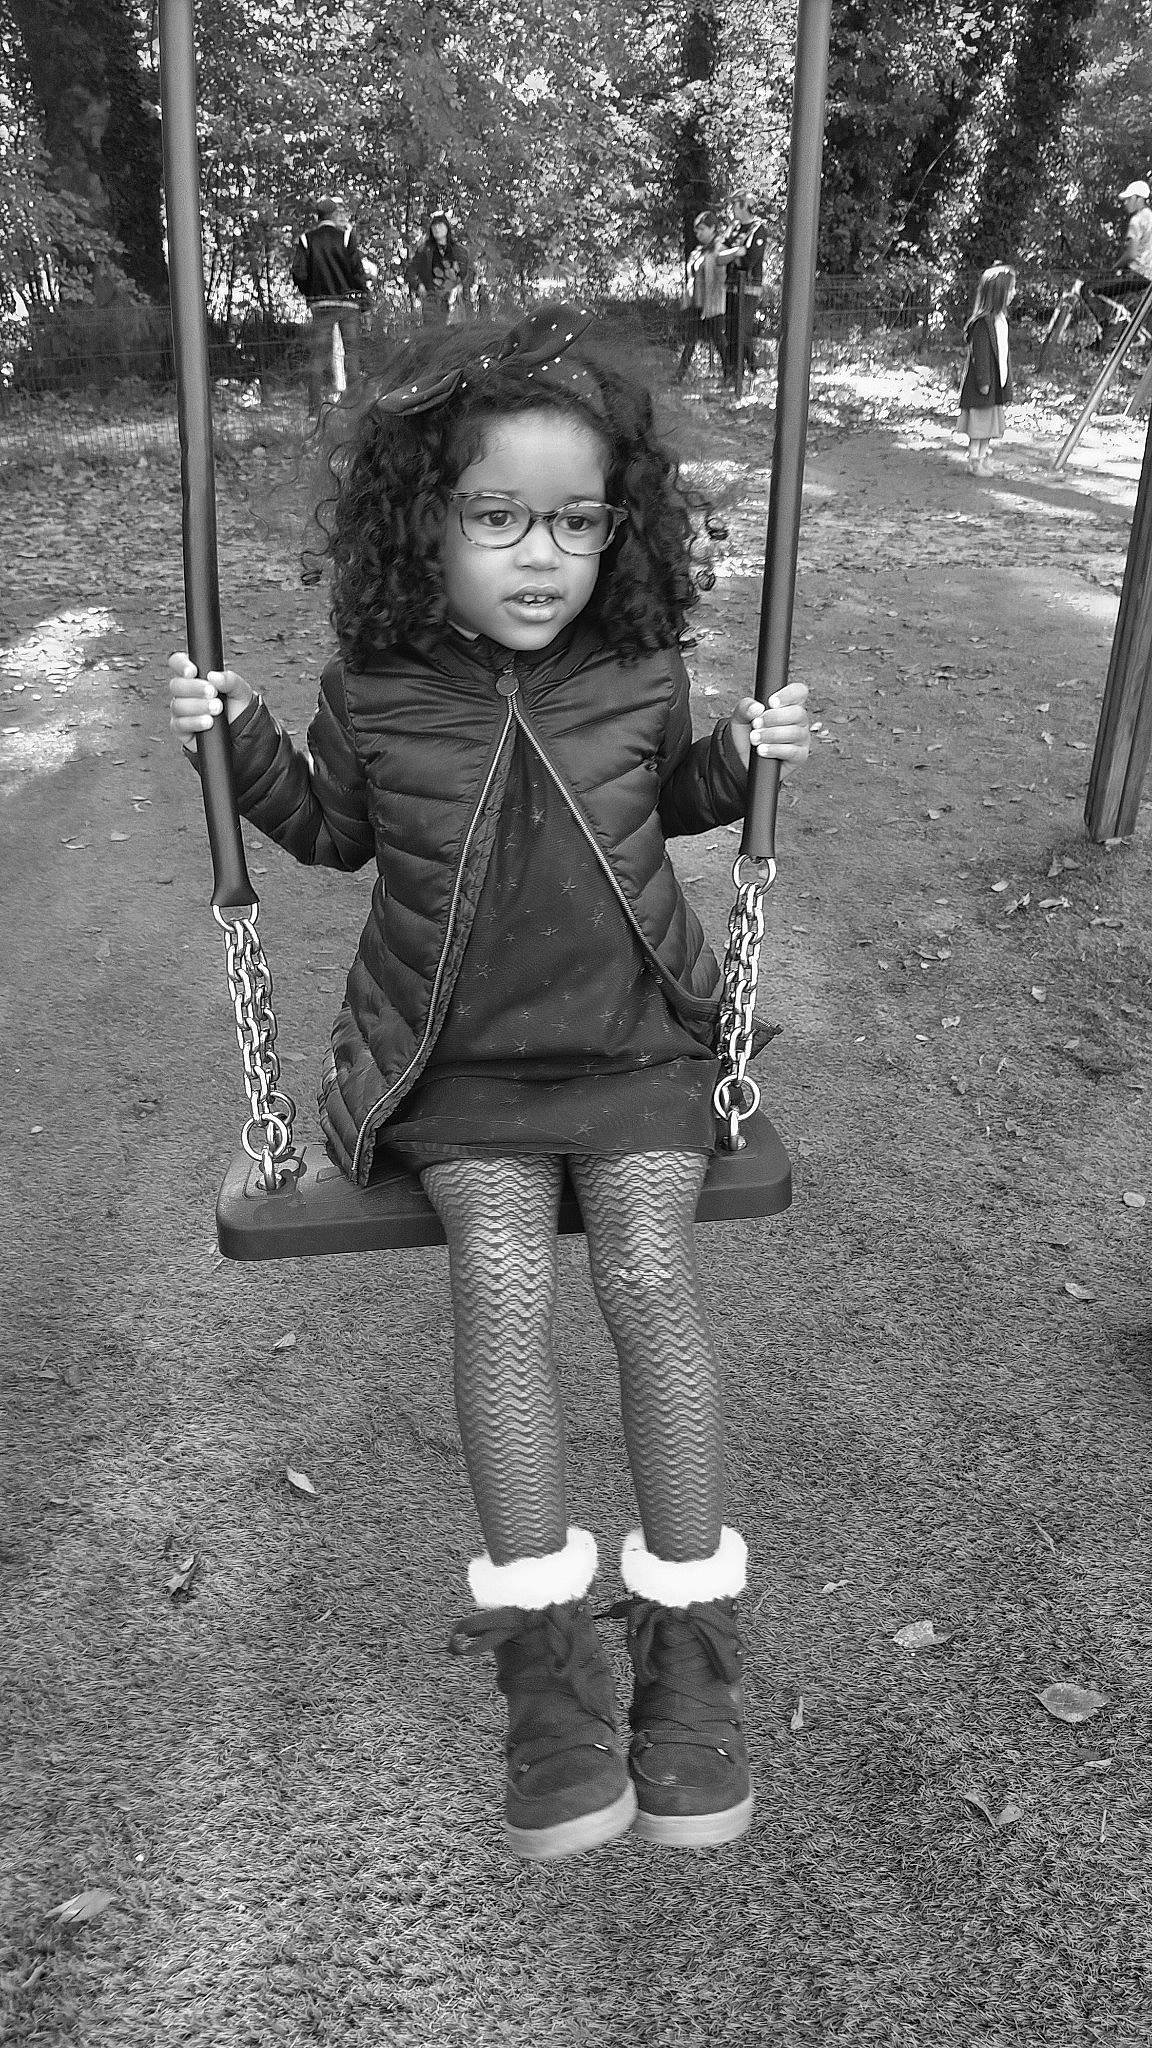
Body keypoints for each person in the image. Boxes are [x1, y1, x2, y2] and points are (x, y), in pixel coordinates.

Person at [167, 304, 810, 1864]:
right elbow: (325, 831)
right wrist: (238, 739)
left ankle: (687, 1661)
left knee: (652, 1276)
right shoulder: (378, 687)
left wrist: (749, 750)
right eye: (499, 517)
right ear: (425, 527)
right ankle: (548, 1677)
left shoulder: (638, 671)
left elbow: (677, 804)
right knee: (502, 1287)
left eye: (578, 522)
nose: (542, 555)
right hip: (453, 1063)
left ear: (618, 534)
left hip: (636, 1043)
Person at [290, 195, 371, 417]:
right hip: (348, 304)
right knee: (352, 355)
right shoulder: (346, 236)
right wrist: (364, 299)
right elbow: (357, 271)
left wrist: (311, 293)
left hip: (321, 304)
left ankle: (315, 411)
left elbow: (299, 272)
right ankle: (356, 408)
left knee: (317, 359)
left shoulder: (307, 239)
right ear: (334, 214)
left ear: (318, 216)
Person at [1075, 179, 1152, 341]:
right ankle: (1122, 322)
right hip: (1148, 277)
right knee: (1106, 294)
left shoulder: (1137, 220)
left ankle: (1110, 328)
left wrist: (1114, 268)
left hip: (1136, 274)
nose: (1125, 203)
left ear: (1139, 199)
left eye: (1129, 199)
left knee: (1087, 289)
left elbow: (1131, 254)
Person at [958, 263, 1015, 474]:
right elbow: (980, 356)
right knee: (979, 426)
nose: (1013, 294)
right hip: (985, 384)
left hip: (996, 384)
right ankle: (974, 461)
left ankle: (982, 458)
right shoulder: (983, 323)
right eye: (1010, 289)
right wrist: (984, 381)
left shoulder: (1001, 320)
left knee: (989, 426)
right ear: (998, 292)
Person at [673, 211, 741, 382]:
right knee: (691, 340)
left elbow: (733, 265)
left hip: (713, 303)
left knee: (719, 341)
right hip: (697, 302)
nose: (698, 234)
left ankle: (730, 375)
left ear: (713, 229)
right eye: (696, 231)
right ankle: (679, 376)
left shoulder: (721, 250)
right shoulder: (698, 251)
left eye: (702, 229)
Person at [723, 192, 769, 386]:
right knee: (732, 331)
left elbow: (749, 261)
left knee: (741, 330)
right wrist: (734, 253)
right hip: (730, 287)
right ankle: (744, 370)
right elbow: (721, 251)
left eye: (735, 205)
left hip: (748, 288)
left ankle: (744, 372)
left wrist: (732, 256)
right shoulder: (733, 228)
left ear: (746, 206)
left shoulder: (758, 230)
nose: (732, 209)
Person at [407, 211, 474, 326]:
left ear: (447, 228)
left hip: (455, 298)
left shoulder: (460, 251)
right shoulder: (424, 251)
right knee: (434, 335)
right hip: (432, 299)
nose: (437, 228)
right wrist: (419, 285)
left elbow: (467, 275)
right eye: (434, 226)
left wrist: (461, 291)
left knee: (456, 335)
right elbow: (410, 272)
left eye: (440, 225)